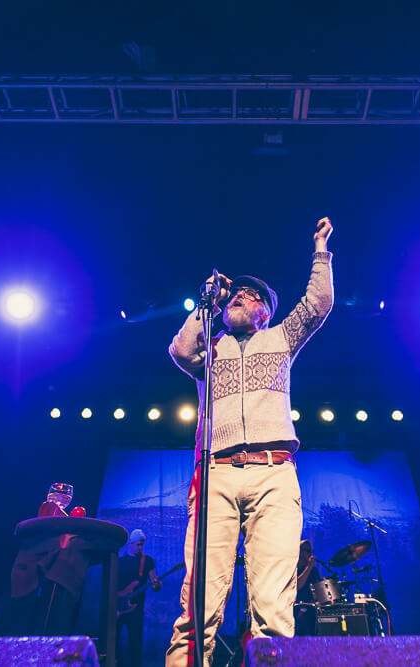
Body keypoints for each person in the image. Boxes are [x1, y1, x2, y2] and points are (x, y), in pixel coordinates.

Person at [165, 217, 334, 665]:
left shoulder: (280, 338)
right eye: (235, 292)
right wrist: (206, 302)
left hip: (274, 473)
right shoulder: (210, 348)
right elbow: (181, 351)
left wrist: (321, 250)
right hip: (215, 473)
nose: (242, 295)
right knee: (197, 608)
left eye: (253, 295)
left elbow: (318, 304)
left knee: (274, 611)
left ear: (265, 312)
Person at [117, 529, 161, 667]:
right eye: (138, 544)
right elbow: (111, 585)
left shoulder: (147, 561)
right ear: (131, 543)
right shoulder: (120, 562)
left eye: (142, 544)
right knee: (113, 641)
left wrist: (156, 585)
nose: (140, 547)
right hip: (118, 607)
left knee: (135, 643)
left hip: (136, 610)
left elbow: (154, 584)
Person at [293, 539, 322, 636]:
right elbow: (297, 586)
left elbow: (318, 590)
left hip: (312, 607)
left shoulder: (313, 570)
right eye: (308, 551)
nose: (311, 554)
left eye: (311, 551)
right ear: (300, 552)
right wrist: (308, 567)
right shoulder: (293, 569)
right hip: (297, 608)